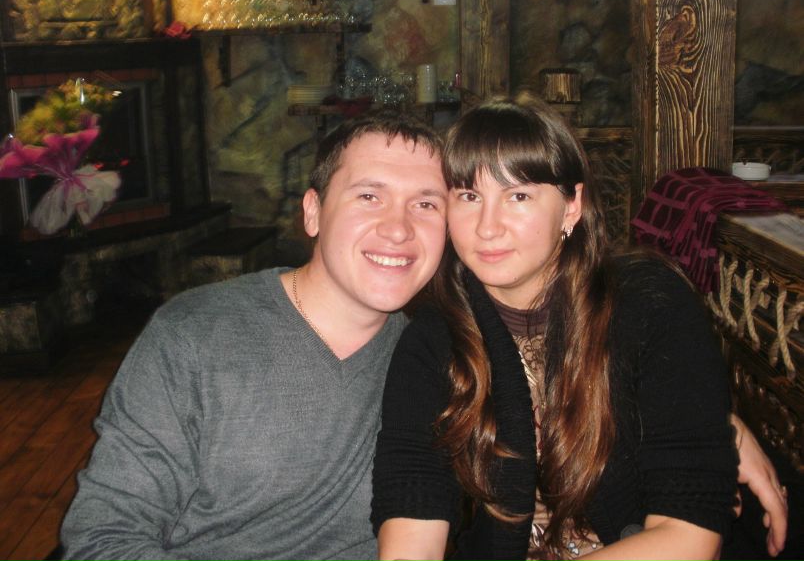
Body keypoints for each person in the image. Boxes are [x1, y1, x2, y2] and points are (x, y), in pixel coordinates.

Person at [371, 93, 789, 561]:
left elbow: (690, 533)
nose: (488, 227)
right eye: (469, 196)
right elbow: (413, 502)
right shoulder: (435, 336)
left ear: (571, 206)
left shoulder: (646, 302)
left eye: (519, 196)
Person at [60, 108, 449, 560]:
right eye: (369, 196)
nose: (399, 229)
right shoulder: (194, 335)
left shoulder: (434, 361)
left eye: (426, 204)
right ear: (314, 212)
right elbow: (103, 541)